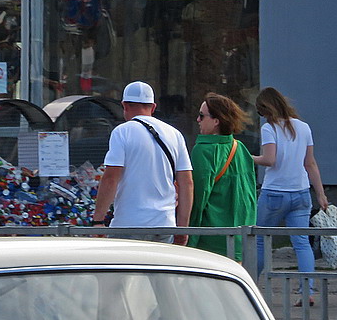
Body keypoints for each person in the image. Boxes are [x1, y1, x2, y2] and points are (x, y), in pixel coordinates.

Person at [251, 87, 329, 303]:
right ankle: (308, 291)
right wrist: (320, 194)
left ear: (265, 109)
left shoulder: (270, 128)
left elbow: (269, 160)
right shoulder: (304, 128)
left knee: (259, 240)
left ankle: (250, 286)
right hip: (301, 193)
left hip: (274, 192)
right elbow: (310, 163)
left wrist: (247, 157)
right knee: (302, 243)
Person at [91, 80, 192, 245]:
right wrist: (182, 229)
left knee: (125, 271)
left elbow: (111, 178)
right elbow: (187, 183)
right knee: (159, 271)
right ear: (153, 107)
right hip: (164, 225)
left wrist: (98, 221)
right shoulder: (175, 134)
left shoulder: (122, 132)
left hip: (129, 224)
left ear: (124, 105)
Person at [188, 93, 256, 260]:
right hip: (239, 237)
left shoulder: (203, 150)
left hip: (210, 241)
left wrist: (188, 236)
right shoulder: (240, 148)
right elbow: (250, 196)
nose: (197, 119)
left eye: (202, 116)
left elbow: (197, 199)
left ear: (216, 121)